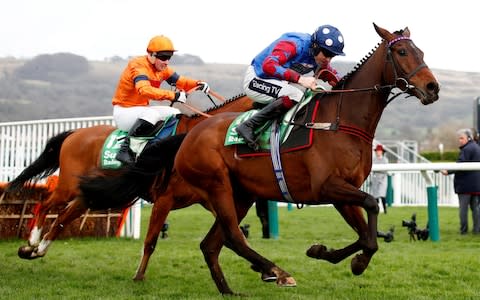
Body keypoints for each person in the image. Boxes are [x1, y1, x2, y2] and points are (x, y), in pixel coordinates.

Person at [236, 24, 345, 150]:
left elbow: (329, 73)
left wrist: (344, 83)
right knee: (296, 94)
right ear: (315, 46)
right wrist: (300, 79)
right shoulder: (294, 44)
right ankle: (248, 125)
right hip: (256, 79)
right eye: (326, 53)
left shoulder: (317, 57)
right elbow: (268, 65)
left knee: (311, 91)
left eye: (332, 56)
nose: (328, 59)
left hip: (276, 82)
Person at [113, 35, 210, 165]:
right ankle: (126, 149)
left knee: (174, 112)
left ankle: (156, 146)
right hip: (124, 112)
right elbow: (145, 90)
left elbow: (182, 81)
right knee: (152, 114)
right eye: (163, 57)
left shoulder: (162, 69)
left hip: (141, 110)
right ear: (151, 55)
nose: (166, 61)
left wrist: (198, 84)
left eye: (169, 57)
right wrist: (173, 95)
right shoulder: (138, 65)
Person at [441, 128, 480, 235]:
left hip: (465, 186)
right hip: (476, 185)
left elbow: (460, 165)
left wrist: (447, 171)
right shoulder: (477, 147)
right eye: (459, 138)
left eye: (462, 138)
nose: (460, 140)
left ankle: (464, 231)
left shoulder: (467, 149)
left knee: (463, 210)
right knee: (476, 209)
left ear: (469, 138)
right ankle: (477, 230)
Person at [371, 144, 389, 214]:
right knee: (375, 195)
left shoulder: (385, 160)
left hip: (383, 178)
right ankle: (377, 209)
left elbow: (385, 170)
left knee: (382, 194)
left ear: (382, 152)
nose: (378, 152)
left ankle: (385, 209)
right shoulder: (374, 159)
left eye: (379, 151)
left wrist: (381, 176)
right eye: (377, 151)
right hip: (375, 178)